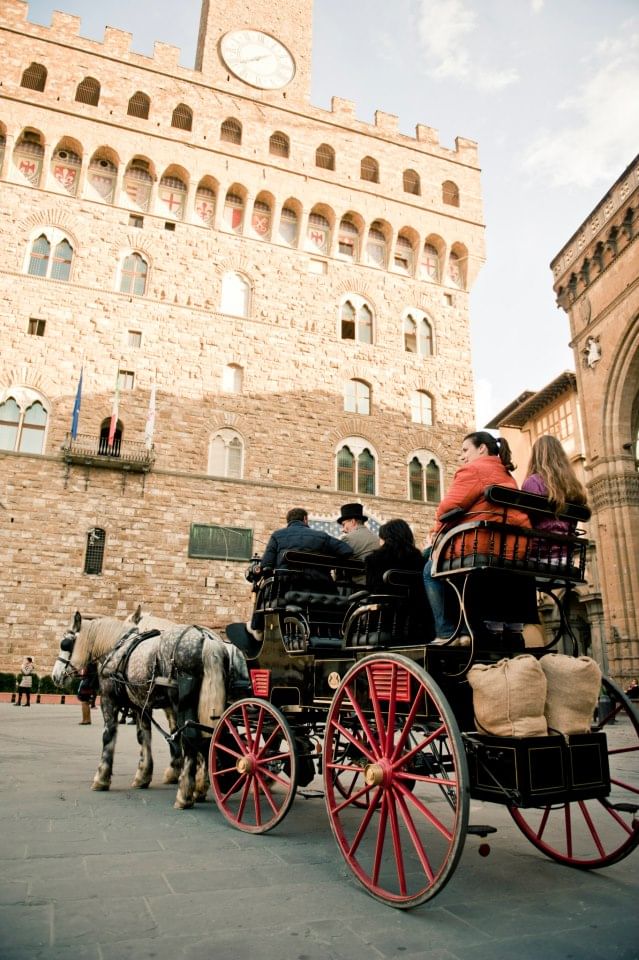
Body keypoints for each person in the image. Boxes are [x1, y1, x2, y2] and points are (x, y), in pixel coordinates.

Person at [423, 431, 531, 645]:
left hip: (476, 544)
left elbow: (448, 508)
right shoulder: (507, 475)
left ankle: (446, 632)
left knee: (429, 569)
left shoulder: (474, 469)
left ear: (482, 448)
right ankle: (465, 629)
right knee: (444, 566)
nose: (462, 456)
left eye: (465, 450)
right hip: (505, 547)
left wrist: (436, 536)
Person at [247, 508, 354, 638]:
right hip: (321, 590)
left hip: (286, 590)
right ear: (305, 519)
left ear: (288, 522)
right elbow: (347, 550)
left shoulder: (278, 536)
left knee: (264, 589)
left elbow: (266, 565)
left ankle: (258, 628)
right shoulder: (321, 536)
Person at [522, 434, 588, 538]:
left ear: (535, 457)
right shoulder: (573, 485)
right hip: (566, 548)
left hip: (539, 548)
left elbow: (527, 518)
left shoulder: (533, 482)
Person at [337, 503, 378, 585]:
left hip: (359, 586)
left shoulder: (348, 538)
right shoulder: (376, 537)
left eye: (344, 524)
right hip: (378, 583)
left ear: (352, 522)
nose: (343, 529)